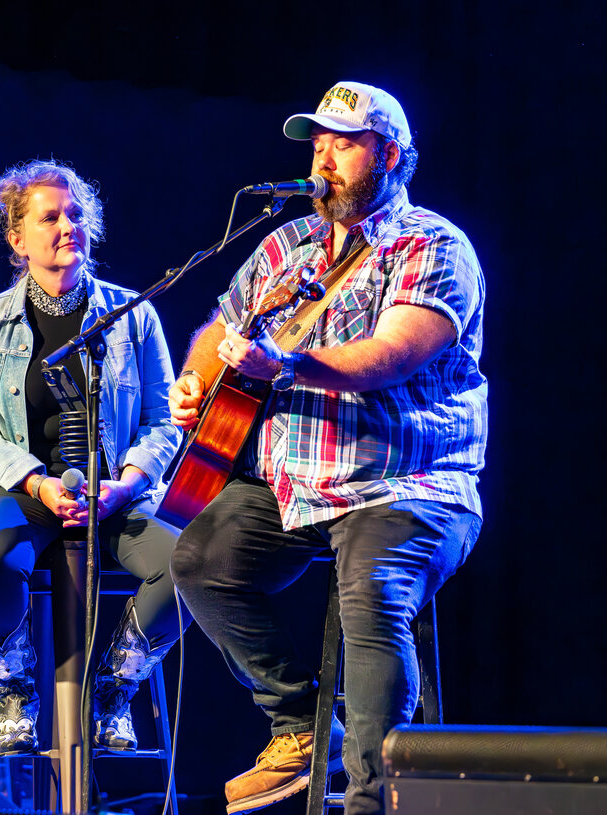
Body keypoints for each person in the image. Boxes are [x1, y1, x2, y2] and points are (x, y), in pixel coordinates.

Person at [168, 81, 487, 815]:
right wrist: (194, 382)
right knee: (198, 560)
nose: (324, 157)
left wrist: (286, 364)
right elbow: (221, 332)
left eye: (343, 143)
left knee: (369, 598)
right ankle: (300, 727)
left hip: (407, 483)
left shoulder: (434, 245)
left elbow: (391, 356)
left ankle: (373, 800)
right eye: (317, 142)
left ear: (390, 154)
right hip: (297, 483)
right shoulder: (286, 245)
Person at [0, 158, 188, 756]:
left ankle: (113, 688)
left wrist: (125, 485)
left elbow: (167, 422)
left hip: (113, 498)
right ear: (16, 236)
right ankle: (16, 687)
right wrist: (35, 483)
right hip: (18, 494)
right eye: (48, 217)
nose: (65, 226)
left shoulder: (133, 316)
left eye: (75, 214)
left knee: (196, 563)